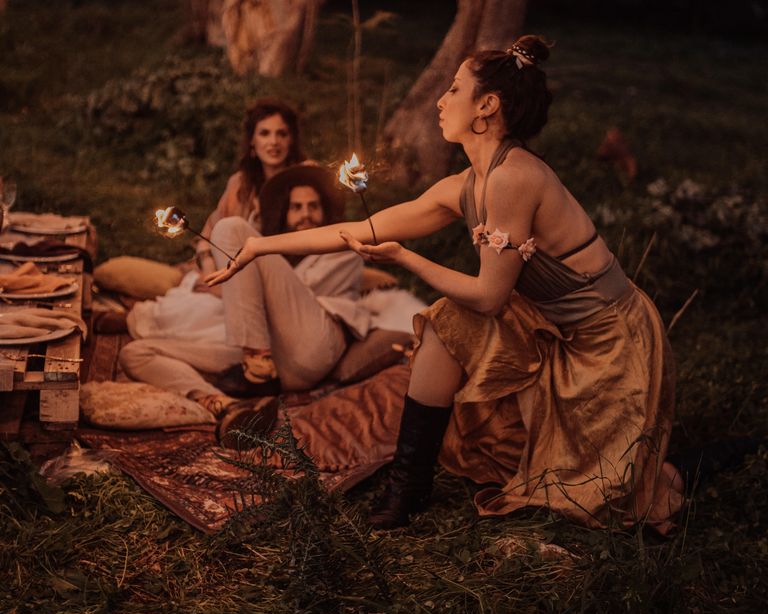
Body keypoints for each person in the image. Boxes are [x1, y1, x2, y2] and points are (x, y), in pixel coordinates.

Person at [205, 36, 684, 532]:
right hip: (555, 330)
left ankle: (665, 463)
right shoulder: (466, 184)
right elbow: (368, 229)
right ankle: (408, 488)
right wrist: (263, 247)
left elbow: (491, 297)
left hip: (609, 344)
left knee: (610, 494)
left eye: (454, 89)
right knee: (443, 324)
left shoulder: (515, 179)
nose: (440, 99)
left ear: (486, 107)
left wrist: (404, 258)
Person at [120, 164, 369, 425]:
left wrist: (241, 274)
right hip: (275, 362)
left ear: (325, 210)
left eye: (313, 206)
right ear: (285, 213)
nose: (305, 214)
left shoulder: (342, 244)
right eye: (296, 207)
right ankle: (225, 405)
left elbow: (288, 292)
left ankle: (258, 369)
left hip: (312, 345)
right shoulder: (279, 248)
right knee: (135, 353)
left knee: (230, 228)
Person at [193, 98, 307, 279]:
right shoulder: (240, 183)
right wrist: (208, 265)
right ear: (252, 141)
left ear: (291, 139)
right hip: (233, 273)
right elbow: (207, 237)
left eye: (282, 134)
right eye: (265, 133)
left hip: (293, 277)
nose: (274, 142)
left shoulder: (307, 179)